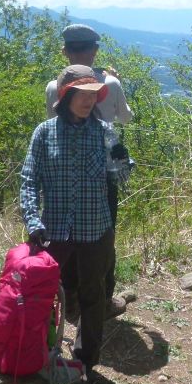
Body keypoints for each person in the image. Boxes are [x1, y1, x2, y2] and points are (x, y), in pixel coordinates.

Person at [22, 65, 115, 378]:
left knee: (93, 295)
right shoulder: (44, 132)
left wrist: (123, 160)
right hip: (54, 229)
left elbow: (120, 175)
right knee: (46, 294)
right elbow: (29, 180)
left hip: (95, 228)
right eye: (82, 94)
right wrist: (32, 219)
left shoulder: (104, 133)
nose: (89, 101)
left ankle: (87, 360)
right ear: (66, 95)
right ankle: (43, 351)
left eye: (93, 95)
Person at [45, 23, 133, 319]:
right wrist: (116, 83)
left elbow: (53, 125)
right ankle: (102, 299)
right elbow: (127, 119)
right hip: (103, 176)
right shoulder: (110, 85)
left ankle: (68, 296)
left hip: (63, 176)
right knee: (103, 237)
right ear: (96, 50)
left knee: (65, 234)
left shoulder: (53, 87)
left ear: (65, 51)